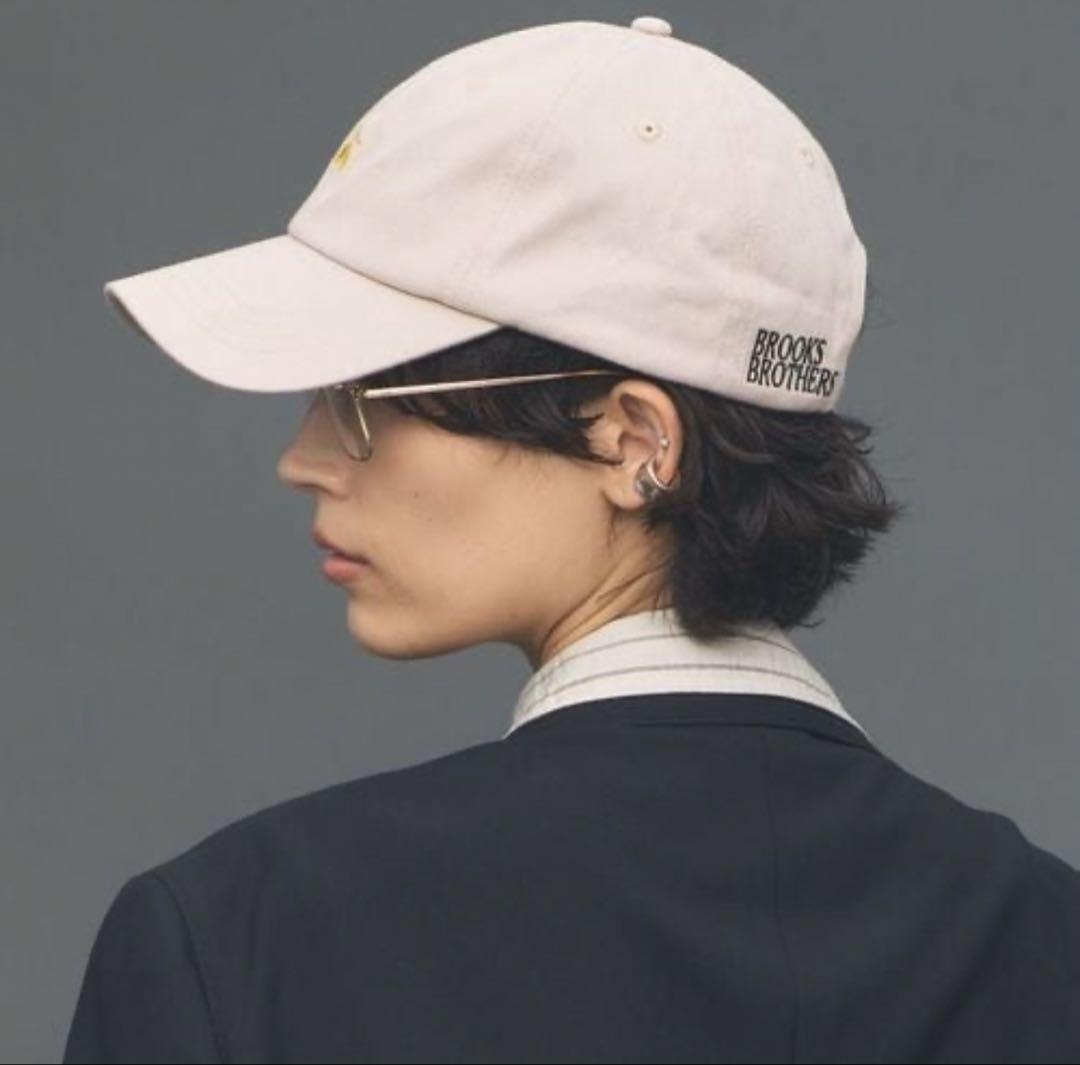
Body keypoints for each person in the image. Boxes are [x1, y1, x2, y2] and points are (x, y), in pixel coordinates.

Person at [64, 14, 1080, 1064]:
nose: (304, 458)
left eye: (360, 398)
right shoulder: (1043, 937)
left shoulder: (247, 940)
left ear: (636, 439)